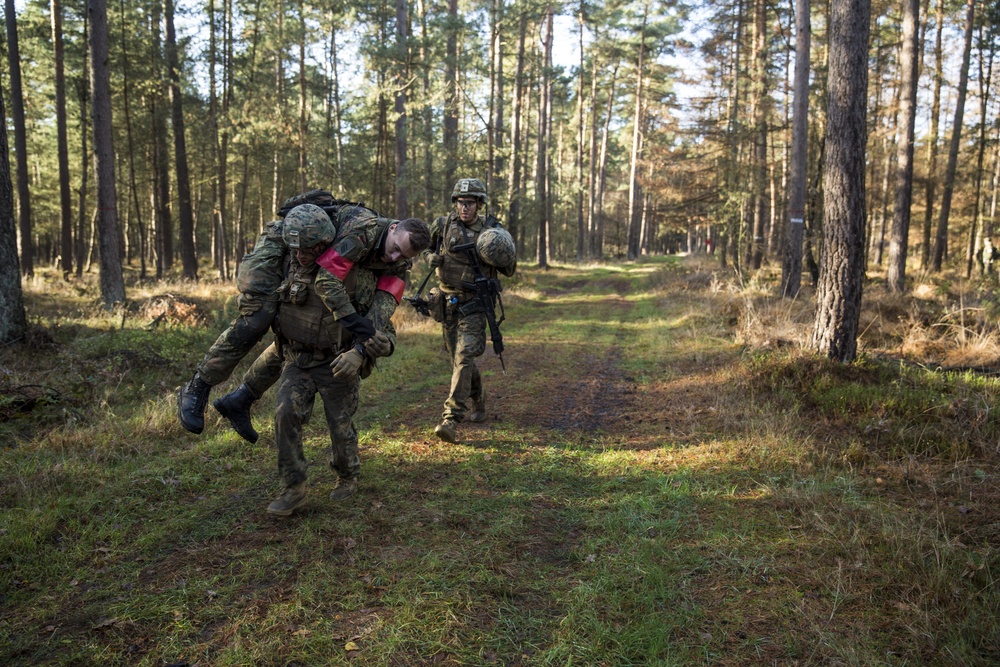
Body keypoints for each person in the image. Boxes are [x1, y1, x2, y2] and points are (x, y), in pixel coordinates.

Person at [177, 200, 429, 442]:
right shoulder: (361, 232)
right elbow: (326, 280)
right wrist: (353, 321)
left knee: (301, 337)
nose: (395, 257)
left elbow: (383, 305)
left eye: (403, 255)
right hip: (292, 242)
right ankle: (199, 385)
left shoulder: (399, 258)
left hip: (319, 251)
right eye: (395, 248)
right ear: (393, 228)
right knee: (256, 318)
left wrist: (363, 344)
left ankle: (240, 400)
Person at [423, 178, 516, 444]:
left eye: (471, 203)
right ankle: (478, 396)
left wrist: (499, 253)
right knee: (458, 361)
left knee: (463, 357)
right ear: (455, 203)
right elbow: (426, 248)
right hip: (447, 302)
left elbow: (509, 267)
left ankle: (451, 419)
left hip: (475, 304)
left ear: (479, 204)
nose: (465, 208)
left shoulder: (491, 231)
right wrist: (429, 257)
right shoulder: (441, 226)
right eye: (461, 203)